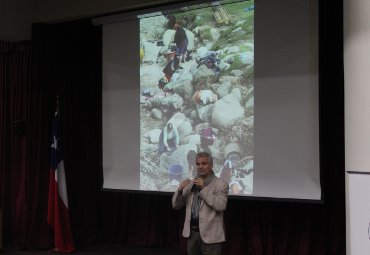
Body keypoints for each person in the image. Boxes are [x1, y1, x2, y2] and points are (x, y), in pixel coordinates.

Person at [172, 152, 229, 255]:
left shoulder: (221, 184)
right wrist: (180, 190)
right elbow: (176, 205)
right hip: (192, 234)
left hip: (211, 236)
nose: (200, 167)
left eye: (204, 163)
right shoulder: (190, 183)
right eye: (198, 164)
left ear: (211, 165)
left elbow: (221, 206)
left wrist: (204, 188)